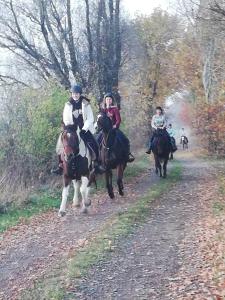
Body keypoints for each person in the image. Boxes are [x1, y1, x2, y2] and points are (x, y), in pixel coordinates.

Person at [52, 85, 105, 175]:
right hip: (71, 129)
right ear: (71, 94)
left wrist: (84, 128)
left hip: (83, 128)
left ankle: (97, 164)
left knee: (94, 143)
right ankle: (60, 165)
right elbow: (65, 118)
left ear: (80, 94)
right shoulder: (68, 104)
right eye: (73, 94)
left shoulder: (86, 103)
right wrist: (70, 128)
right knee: (61, 143)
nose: (75, 95)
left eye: (76, 94)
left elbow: (90, 118)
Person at [101, 92, 135, 163]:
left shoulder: (115, 109)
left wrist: (115, 125)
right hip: (105, 130)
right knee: (97, 139)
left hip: (114, 129)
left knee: (125, 140)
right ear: (105, 100)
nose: (108, 101)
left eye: (110, 99)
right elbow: (101, 119)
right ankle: (97, 159)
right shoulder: (103, 110)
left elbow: (118, 120)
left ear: (112, 100)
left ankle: (127, 155)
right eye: (107, 99)